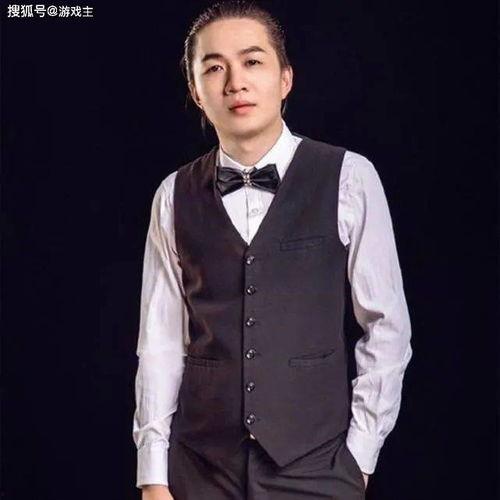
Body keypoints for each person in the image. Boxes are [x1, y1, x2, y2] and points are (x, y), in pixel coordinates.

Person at [133, 1, 413, 499]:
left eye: (252, 61)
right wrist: (153, 473)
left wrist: (360, 456)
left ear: (285, 78)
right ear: (196, 91)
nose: (235, 82)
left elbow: (386, 325)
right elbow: (159, 341)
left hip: (318, 465)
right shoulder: (172, 194)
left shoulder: (350, 177)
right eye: (214, 68)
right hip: (200, 467)